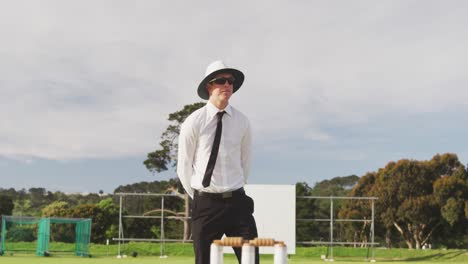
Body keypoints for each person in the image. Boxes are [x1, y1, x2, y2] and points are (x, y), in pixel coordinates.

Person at [177, 60, 259, 264]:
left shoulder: (242, 121)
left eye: (230, 81)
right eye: (221, 80)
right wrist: (201, 196)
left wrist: (234, 188)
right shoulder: (194, 121)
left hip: (238, 205)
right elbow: (184, 166)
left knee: (251, 260)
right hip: (206, 205)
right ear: (209, 86)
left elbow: (245, 161)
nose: (227, 85)